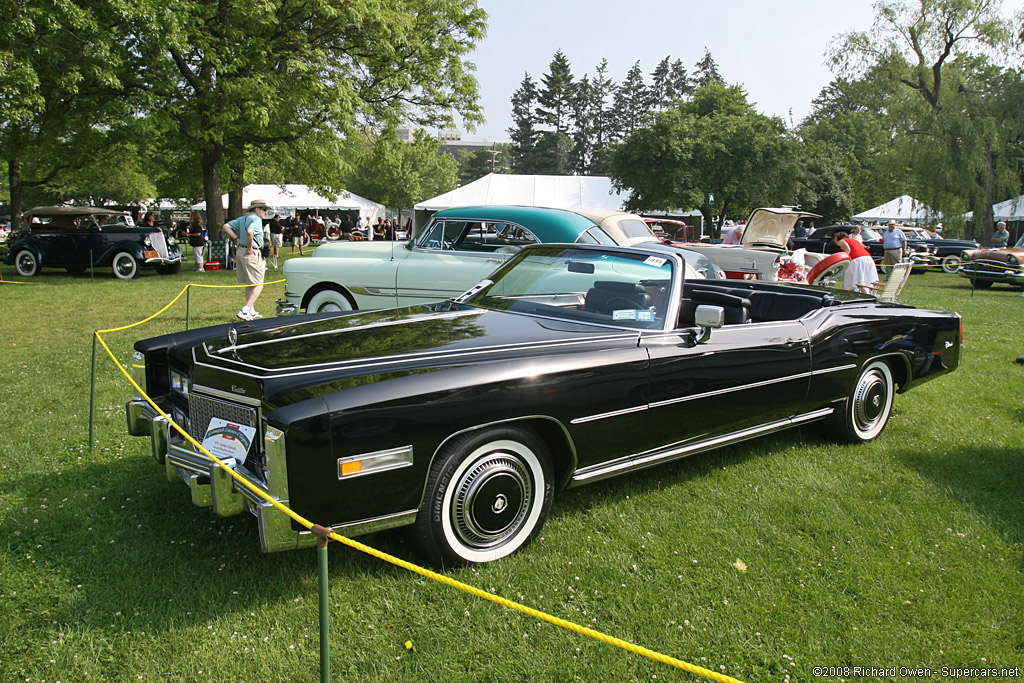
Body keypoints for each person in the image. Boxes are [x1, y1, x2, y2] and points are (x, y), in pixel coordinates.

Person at [222, 199, 270, 321]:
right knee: (259, 284)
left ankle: (251, 311)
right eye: (264, 210)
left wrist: (236, 238)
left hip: (241, 252)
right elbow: (250, 232)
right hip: (252, 252)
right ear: (256, 209)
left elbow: (226, 226)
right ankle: (245, 309)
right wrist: (249, 248)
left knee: (250, 283)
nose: (265, 212)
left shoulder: (243, 219)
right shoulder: (256, 219)